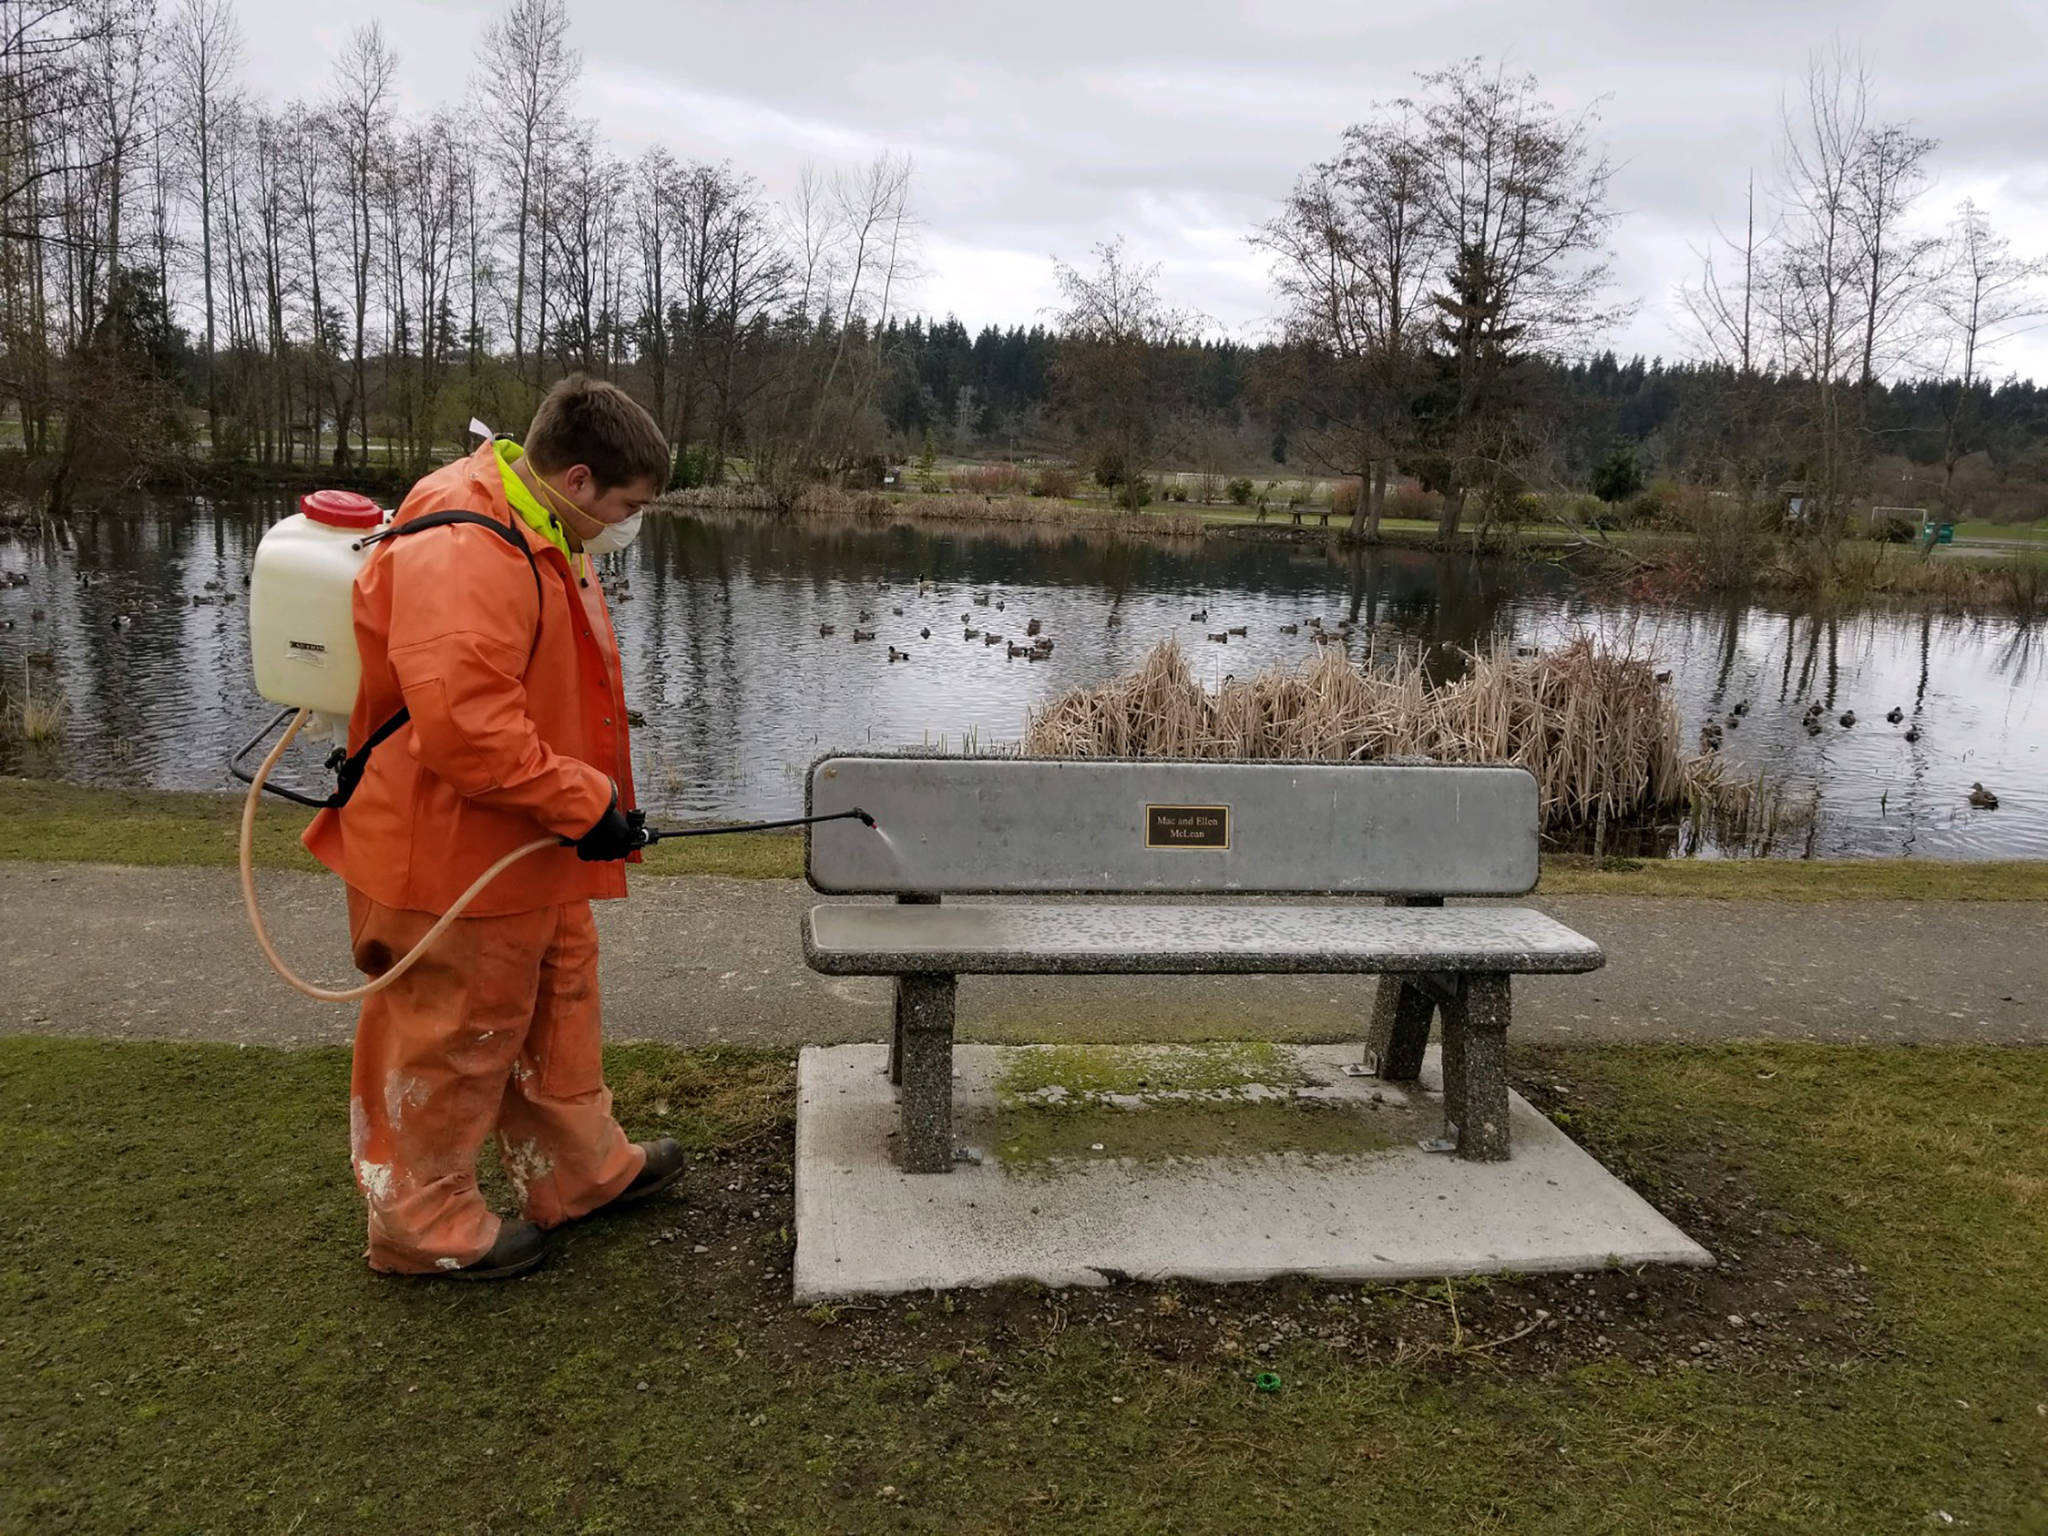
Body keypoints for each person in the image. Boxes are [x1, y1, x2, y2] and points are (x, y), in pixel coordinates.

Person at [306, 374, 682, 1280]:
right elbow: (466, 726)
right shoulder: (469, 544)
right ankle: (420, 1221)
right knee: (453, 1032)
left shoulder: (538, 518)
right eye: (628, 506)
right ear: (580, 478)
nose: (629, 525)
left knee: (558, 1004)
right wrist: (583, 802)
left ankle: (577, 1171)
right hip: (449, 851)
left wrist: (584, 810)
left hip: (524, 842)